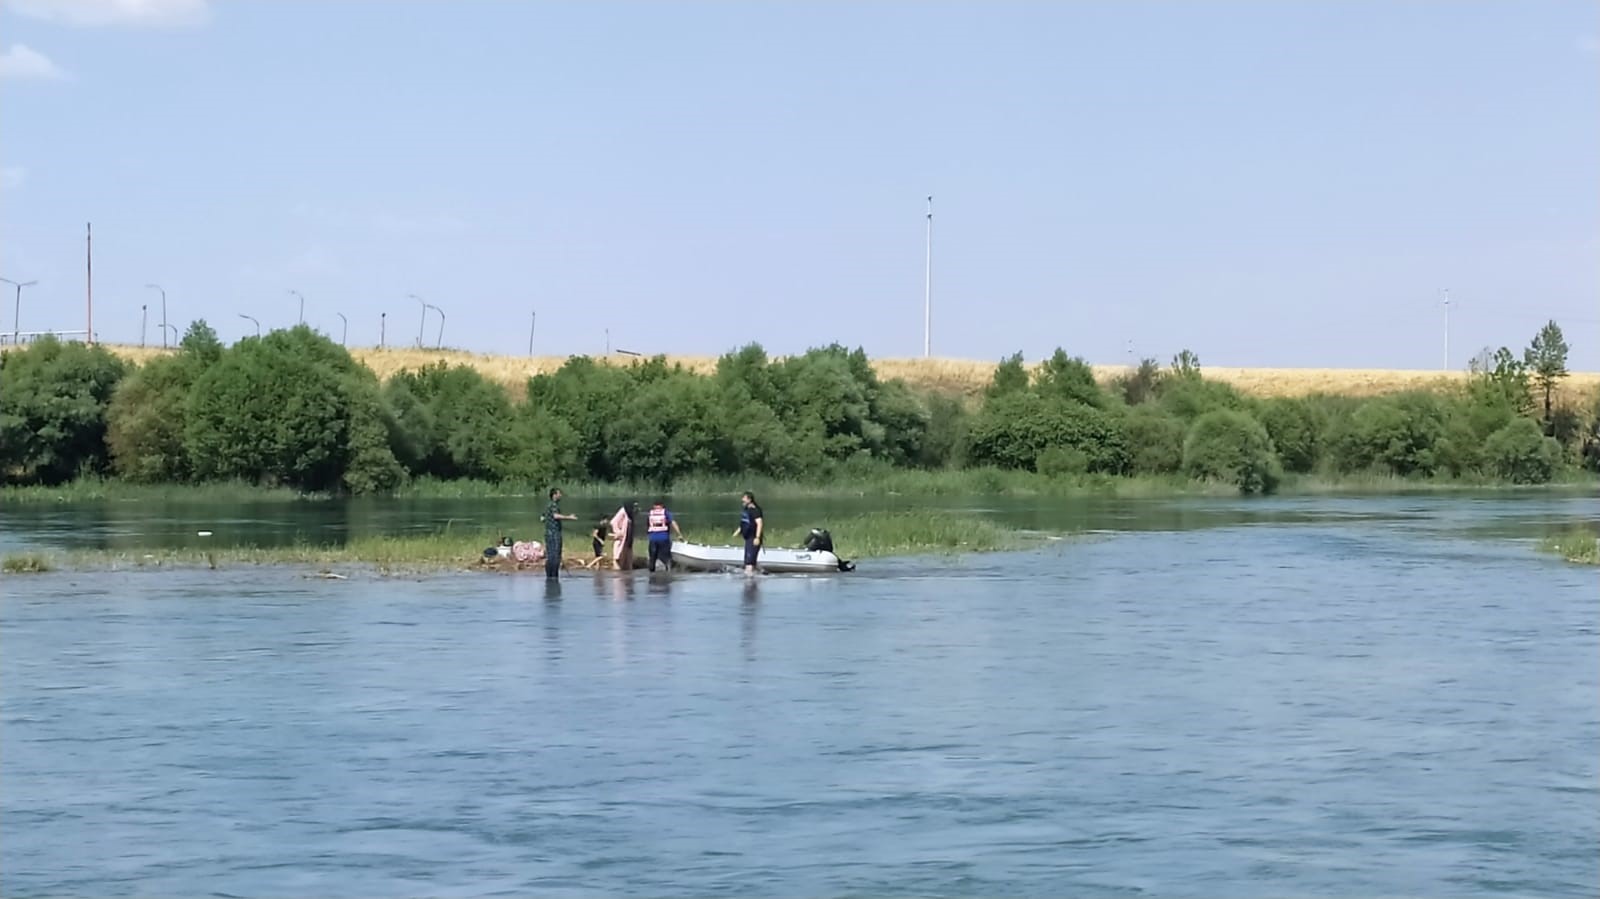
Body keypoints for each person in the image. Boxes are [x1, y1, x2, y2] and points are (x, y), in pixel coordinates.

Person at [542, 487, 578, 578]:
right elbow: (555, 516)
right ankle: (554, 576)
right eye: (559, 494)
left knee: (550, 556)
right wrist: (569, 517)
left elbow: (543, 518)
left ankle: (549, 577)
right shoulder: (554, 505)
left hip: (548, 534)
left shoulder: (548, 505)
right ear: (554, 495)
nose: (560, 495)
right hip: (554, 534)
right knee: (555, 556)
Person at [645, 498, 684, 572]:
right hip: (664, 539)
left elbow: (648, 526)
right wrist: (679, 534)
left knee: (652, 559)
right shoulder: (666, 513)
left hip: (653, 539)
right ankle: (668, 573)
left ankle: (651, 576)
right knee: (667, 559)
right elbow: (673, 523)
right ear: (662, 505)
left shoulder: (650, 513)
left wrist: (649, 535)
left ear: (654, 506)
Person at [732, 491, 764, 575]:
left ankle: (749, 581)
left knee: (749, 563)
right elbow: (744, 522)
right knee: (749, 561)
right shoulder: (746, 510)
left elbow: (759, 523)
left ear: (749, 499)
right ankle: (759, 573)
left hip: (754, 538)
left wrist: (757, 537)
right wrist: (738, 531)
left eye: (744, 498)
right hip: (748, 538)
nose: (742, 500)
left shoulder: (755, 510)